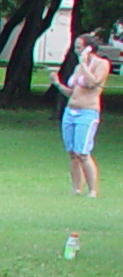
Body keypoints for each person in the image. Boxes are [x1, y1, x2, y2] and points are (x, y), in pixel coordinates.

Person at [54, 26, 109, 197]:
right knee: (72, 153)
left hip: (88, 112)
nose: (76, 50)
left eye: (79, 47)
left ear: (89, 48)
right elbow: (72, 92)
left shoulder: (101, 64)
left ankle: (92, 190)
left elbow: (93, 83)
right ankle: (76, 188)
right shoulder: (78, 67)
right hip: (70, 111)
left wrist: (84, 64)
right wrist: (57, 83)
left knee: (83, 153)